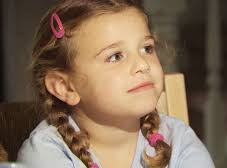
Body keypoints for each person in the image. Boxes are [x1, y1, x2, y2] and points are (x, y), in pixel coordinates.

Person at [17, 0, 215, 168]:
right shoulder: (45, 153)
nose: (142, 64)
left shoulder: (178, 140)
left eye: (147, 48)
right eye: (116, 56)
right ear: (65, 87)